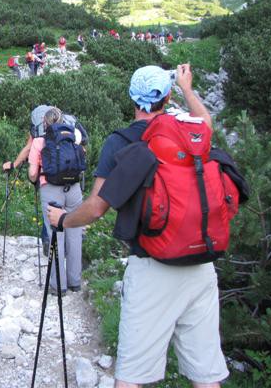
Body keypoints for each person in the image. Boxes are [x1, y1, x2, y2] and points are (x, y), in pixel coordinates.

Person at [47, 64, 227, 387]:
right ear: (167, 97)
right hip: (201, 263)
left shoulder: (121, 142)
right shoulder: (188, 129)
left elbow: (95, 208)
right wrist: (187, 88)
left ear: (131, 97)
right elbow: (207, 123)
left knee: (131, 375)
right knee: (206, 374)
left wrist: (63, 221)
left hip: (152, 265)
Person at [28, 107, 85, 295]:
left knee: (56, 235)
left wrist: (34, 179)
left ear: (44, 123)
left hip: (51, 190)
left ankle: (58, 285)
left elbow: (33, 174)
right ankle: (75, 281)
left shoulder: (38, 142)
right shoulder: (73, 137)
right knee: (75, 233)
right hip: (74, 189)